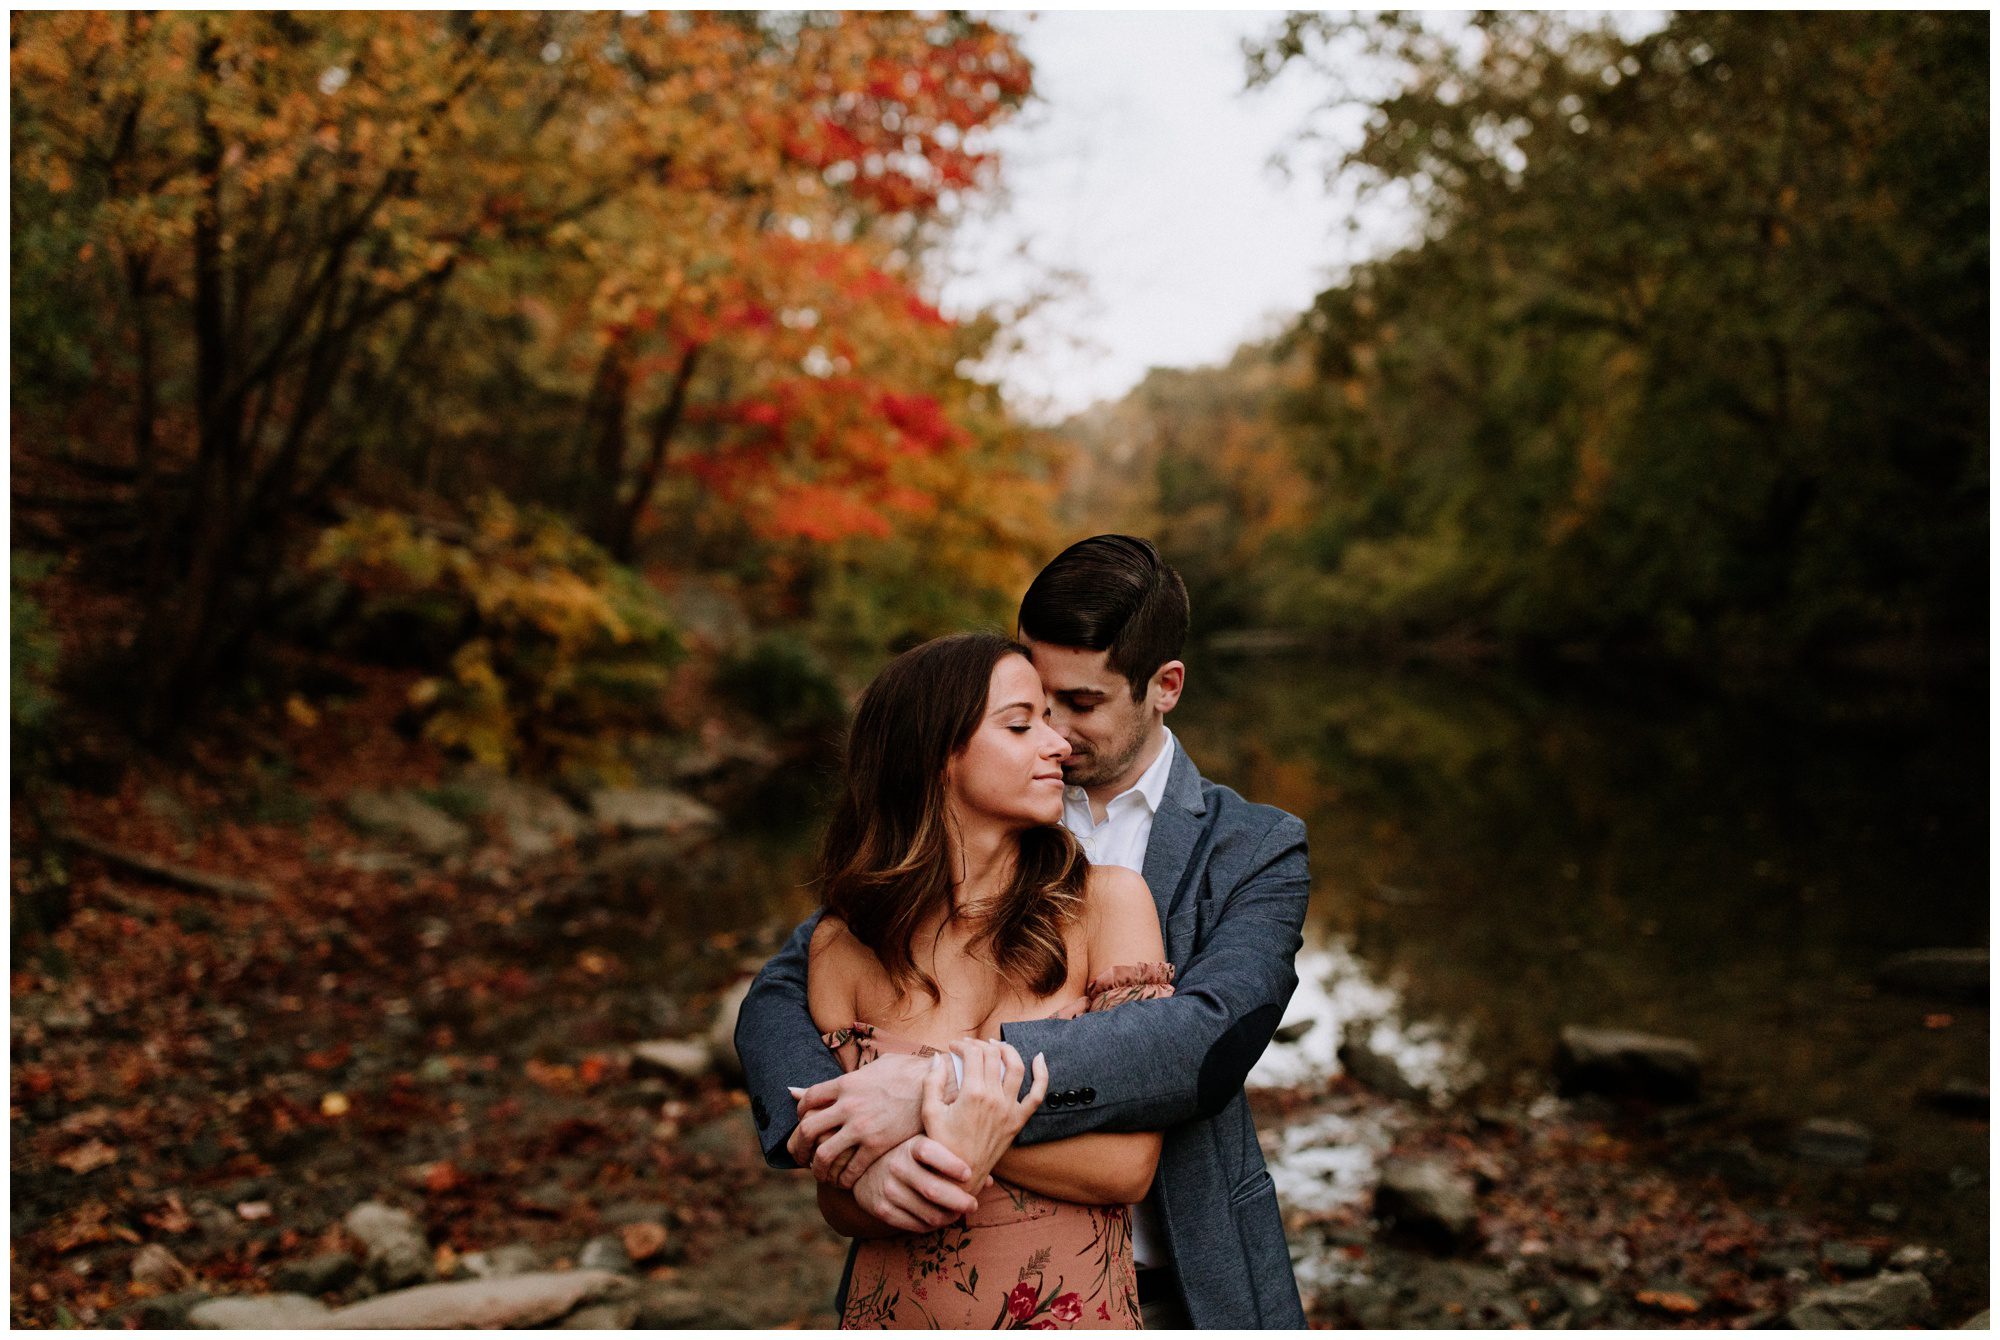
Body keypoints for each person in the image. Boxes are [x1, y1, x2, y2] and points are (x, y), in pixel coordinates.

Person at [738, 535, 1311, 1329]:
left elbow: (1201, 1040)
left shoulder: (1254, 847)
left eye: (1079, 703)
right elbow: (778, 992)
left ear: (1165, 687)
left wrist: (930, 1092)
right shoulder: (993, 809)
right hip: (930, 1278)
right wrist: (832, 1137)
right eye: (1034, 706)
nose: (1058, 735)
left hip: (1182, 1285)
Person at [799, 630, 1177, 1327]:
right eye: (1021, 724)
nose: (1059, 744)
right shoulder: (842, 946)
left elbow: (1126, 1167)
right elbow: (838, 1195)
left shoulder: (1108, 905)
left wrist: (929, 1117)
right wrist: (934, 1154)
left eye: (1050, 721)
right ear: (936, 753)